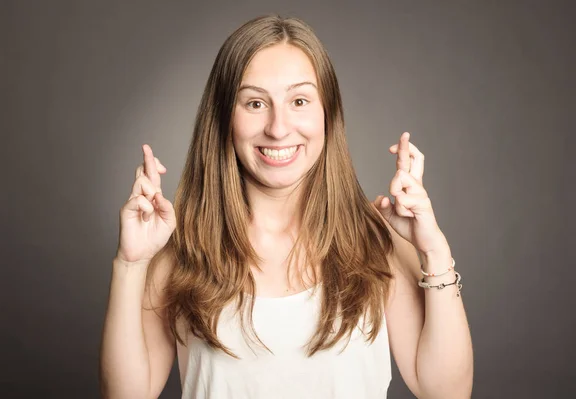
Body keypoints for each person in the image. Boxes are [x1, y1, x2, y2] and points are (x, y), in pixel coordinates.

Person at [99, 15, 473, 399]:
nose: (278, 128)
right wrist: (130, 265)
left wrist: (434, 251)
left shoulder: (379, 242)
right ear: (225, 117)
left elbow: (446, 392)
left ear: (327, 113)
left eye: (299, 100)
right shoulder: (185, 249)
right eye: (256, 103)